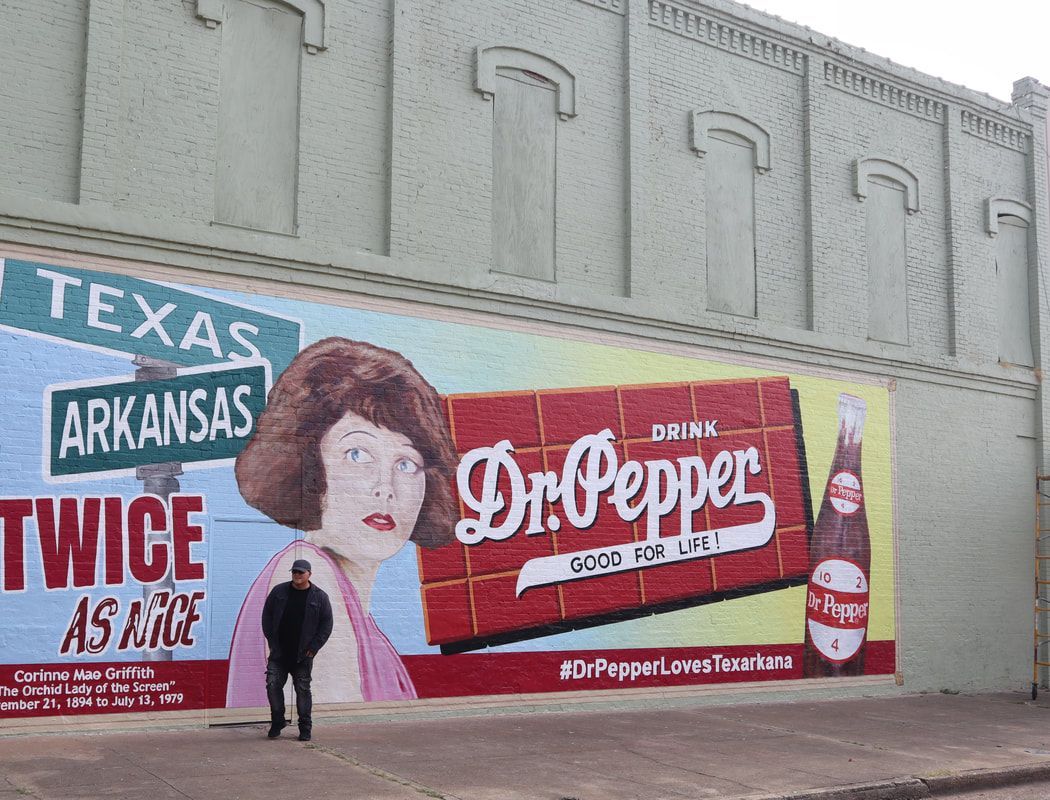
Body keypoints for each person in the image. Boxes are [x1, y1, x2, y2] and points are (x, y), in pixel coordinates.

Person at [226, 337, 458, 710]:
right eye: (357, 454)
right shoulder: (308, 571)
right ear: (310, 467)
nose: (386, 488)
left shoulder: (358, 616)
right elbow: (336, 724)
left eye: (406, 463)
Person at [262, 558, 333, 741]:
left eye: (301, 572)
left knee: (302, 690)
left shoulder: (319, 597)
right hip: (279, 654)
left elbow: (326, 624)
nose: (297, 575)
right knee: (272, 686)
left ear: (309, 574)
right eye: (294, 571)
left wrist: (314, 647)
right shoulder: (279, 592)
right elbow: (267, 616)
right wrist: (272, 641)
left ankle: (305, 728)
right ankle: (278, 721)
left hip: (303, 655)